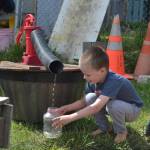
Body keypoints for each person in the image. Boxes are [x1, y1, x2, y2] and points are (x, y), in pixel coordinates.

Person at [50, 46, 143, 144]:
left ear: (102, 71)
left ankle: (121, 132)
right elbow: (83, 102)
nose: (84, 77)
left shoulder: (113, 80)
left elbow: (96, 107)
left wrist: (70, 118)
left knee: (114, 105)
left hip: (132, 110)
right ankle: (105, 127)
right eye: (84, 74)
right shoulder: (93, 80)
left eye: (88, 74)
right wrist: (65, 108)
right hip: (112, 107)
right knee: (90, 97)